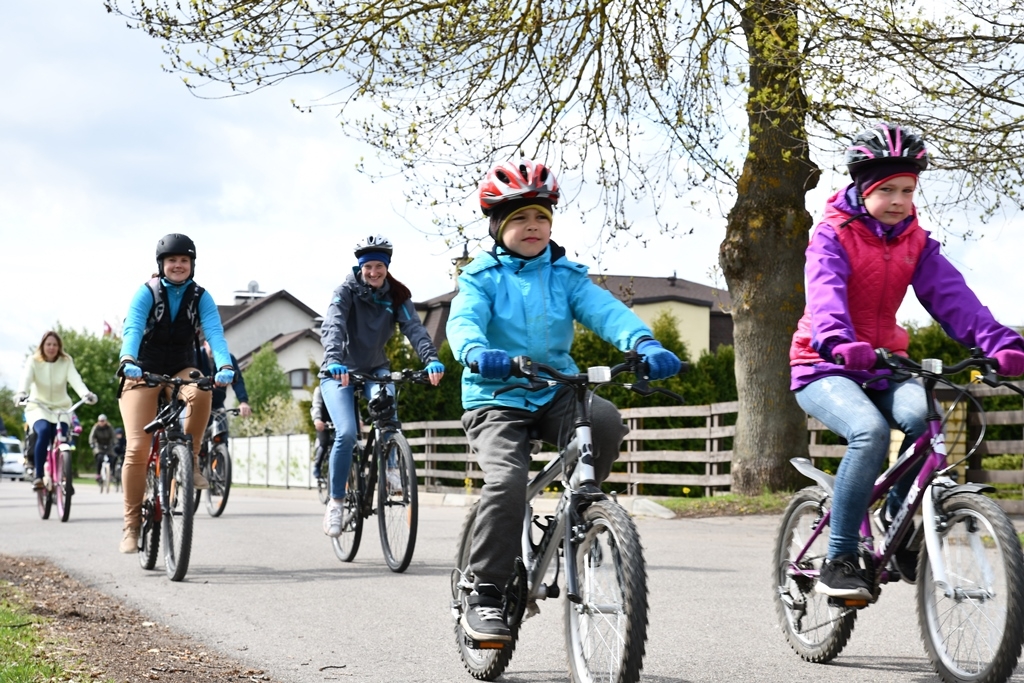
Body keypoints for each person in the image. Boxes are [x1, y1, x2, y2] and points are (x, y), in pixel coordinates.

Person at [445, 158, 683, 642]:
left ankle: (580, 516)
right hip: (497, 396)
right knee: (508, 481)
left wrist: (643, 343)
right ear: (497, 227)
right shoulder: (480, 277)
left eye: (541, 218)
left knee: (607, 421)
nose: (533, 227)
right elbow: (463, 320)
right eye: (520, 220)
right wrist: (475, 351)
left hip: (556, 389)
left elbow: (605, 311)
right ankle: (485, 590)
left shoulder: (566, 275)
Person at [790, 123, 1024, 600]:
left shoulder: (916, 243)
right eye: (887, 190)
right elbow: (826, 295)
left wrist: (1000, 344)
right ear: (862, 188)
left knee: (923, 421)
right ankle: (841, 556)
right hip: (823, 362)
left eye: (907, 190)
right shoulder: (831, 237)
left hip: (884, 363)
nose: (899, 200)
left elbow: (957, 300)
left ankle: (897, 524)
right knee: (869, 432)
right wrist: (838, 340)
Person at [319, 234, 445, 537]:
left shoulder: (397, 296)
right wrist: (335, 359)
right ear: (360, 267)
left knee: (389, 421)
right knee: (347, 433)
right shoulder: (345, 292)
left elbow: (414, 328)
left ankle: (391, 474)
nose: (373, 272)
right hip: (339, 371)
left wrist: (430, 359)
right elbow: (333, 325)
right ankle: (336, 502)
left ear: (387, 267)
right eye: (368, 267)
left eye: (379, 267)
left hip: (376, 368)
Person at [116, 234, 236, 553]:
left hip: (182, 366)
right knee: (138, 448)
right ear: (162, 265)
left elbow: (215, 334)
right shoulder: (146, 293)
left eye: (184, 260)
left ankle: (191, 458)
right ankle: (131, 525)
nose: (178, 265)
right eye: (172, 260)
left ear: (192, 265)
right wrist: (127, 360)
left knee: (202, 390)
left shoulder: (201, 297)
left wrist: (224, 365)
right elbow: (132, 329)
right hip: (142, 368)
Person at [14, 331, 97, 490]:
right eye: (48, 344)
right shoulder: (33, 361)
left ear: (59, 347)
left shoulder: (66, 361)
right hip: (39, 406)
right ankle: (38, 476)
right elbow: (26, 378)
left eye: (55, 344)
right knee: (44, 431)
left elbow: (76, 379)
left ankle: (64, 476)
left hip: (62, 408)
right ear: (43, 346)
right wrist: (21, 393)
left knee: (62, 439)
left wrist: (86, 394)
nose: (51, 347)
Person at [199, 340, 252, 418]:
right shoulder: (196, 356)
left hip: (217, 405)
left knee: (222, 427)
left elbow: (237, 381)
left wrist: (243, 401)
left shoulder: (229, 359)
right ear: (205, 344)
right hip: (197, 405)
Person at [309, 384, 333, 480]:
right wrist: (317, 419)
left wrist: (359, 419)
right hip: (323, 423)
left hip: (337, 422)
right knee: (324, 442)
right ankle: (317, 465)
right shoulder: (320, 390)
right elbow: (316, 406)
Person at [89, 414, 116, 483]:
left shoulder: (109, 427)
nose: (102, 422)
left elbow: (113, 436)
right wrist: (92, 444)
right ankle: (98, 474)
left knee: (112, 458)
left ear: (106, 421)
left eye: (103, 421)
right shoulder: (96, 427)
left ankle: (112, 473)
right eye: (100, 421)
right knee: (99, 457)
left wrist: (114, 443)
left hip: (108, 445)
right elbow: (91, 437)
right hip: (99, 445)